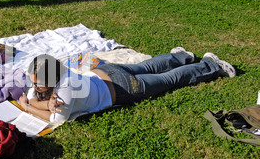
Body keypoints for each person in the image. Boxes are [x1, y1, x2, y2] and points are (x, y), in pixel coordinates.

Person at [18, 47, 236, 123]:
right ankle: (181, 56)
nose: (34, 87)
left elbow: (58, 119)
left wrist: (28, 106)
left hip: (123, 88)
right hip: (107, 72)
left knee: (169, 80)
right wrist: (40, 103)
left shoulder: (65, 86)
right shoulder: (59, 75)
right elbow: (35, 97)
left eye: (38, 84)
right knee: (147, 65)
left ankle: (210, 64)